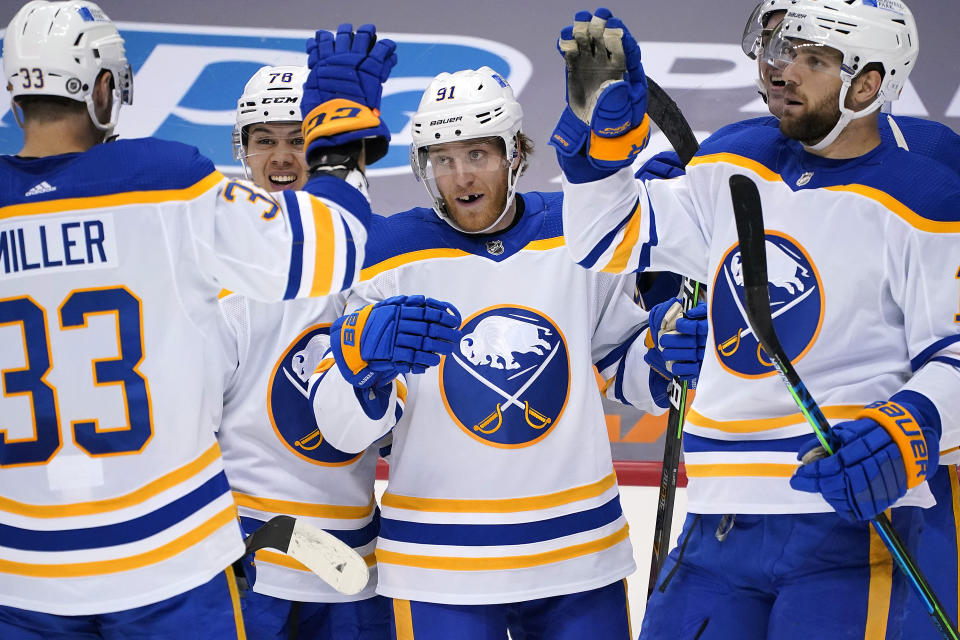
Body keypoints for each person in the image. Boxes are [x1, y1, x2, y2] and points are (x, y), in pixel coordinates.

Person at [554, 3, 960, 638]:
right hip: (718, 518)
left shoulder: (927, 198)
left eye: (814, 61)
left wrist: (909, 429)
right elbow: (607, 239)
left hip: (849, 526)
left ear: (868, 84)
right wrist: (598, 155)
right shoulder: (732, 159)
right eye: (780, 51)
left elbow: (954, 353)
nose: (782, 72)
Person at [0, 3, 388, 637]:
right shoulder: (165, 181)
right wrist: (340, 149)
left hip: (19, 566)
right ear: (105, 89)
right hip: (167, 556)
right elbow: (333, 249)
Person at [304, 59, 708, 639]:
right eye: (443, 160)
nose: (462, 176)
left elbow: (623, 365)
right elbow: (339, 430)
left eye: (478, 154)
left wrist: (666, 351)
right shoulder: (386, 255)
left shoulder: (579, 233)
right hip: (439, 566)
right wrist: (358, 364)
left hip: (578, 555)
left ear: (515, 152)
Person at [215, 65, 390, 639]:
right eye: (265, 140)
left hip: (351, 560)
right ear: (241, 149)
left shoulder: (372, 256)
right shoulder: (209, 266)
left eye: (299, 140)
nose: (284, 157)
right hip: (245, 558)